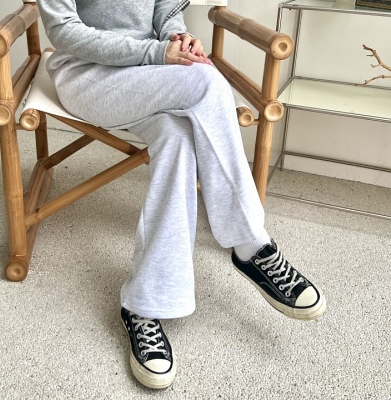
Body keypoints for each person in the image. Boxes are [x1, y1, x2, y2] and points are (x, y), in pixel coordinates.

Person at [37, 0, 326, 390]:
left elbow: (166, 12)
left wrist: (179, 37)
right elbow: (63, 31)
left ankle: (143, 303)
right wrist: (157, 52)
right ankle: (251, 245)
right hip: (88, 75)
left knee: (178, 139)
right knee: (207, 81)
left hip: (150, 74)